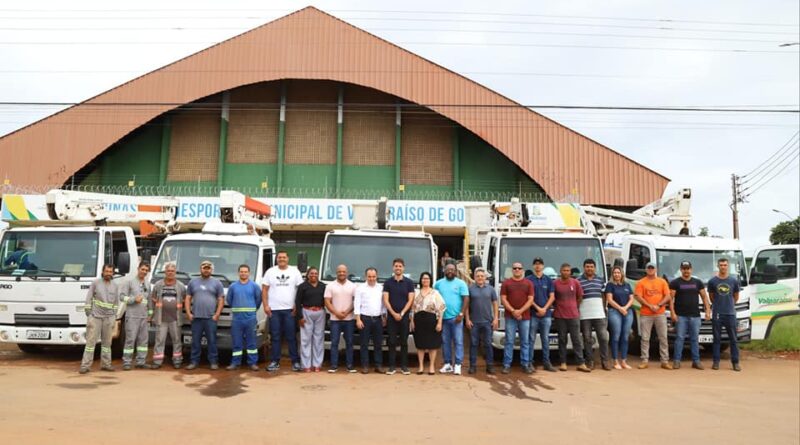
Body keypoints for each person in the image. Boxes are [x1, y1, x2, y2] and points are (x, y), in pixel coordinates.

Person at [262, 251, 304, 372]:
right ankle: (275, 361)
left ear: (288, 259)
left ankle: (295, 361)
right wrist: (265, 306)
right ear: (277, 259)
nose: (281, 259)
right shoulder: (270, 272)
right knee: (275, 336)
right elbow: (264, 290)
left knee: (291, 336)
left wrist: (297, 305)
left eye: (284, 257)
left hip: (290, 310)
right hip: (274, 310)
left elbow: (300, 290)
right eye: (279, 257)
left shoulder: (294, 271)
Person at [669, 261, 711, 370]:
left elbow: (704, 297)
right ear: (681, 270)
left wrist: (707, 311)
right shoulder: (675, 283)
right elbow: (670, 299)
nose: (686, 271)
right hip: (680, 316)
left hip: (695, 316)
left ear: (691, 269)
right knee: (679, 338)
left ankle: (696, 361)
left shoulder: (698, 282)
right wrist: (672, 313)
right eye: (684, 268)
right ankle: (677, 361)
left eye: (688, 268)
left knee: (694, 339)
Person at [79, 264, 120, 374]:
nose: (108, 273)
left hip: (108, 319)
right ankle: (85, 365)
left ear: (113, 273)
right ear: (103, 272)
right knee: (90, 343)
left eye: (110, 271)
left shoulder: (115, 286)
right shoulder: (95, 283)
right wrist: (89, 314)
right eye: (106, 271)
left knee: (107, 344)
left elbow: (116, 303)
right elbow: (89, 299)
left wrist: (114, 316)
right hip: (96, 317)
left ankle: (106, 364)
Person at [185, 260, 225, 370]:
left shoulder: (217, 283)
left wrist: (217, 314)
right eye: (204, 267)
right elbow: (188, 298)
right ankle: (194, 362)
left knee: (212, 341)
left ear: (211, 270)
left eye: (208, 268)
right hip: (196, 318)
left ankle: (213, 362)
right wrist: (188, 313)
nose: (206, 270)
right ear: (200, 269)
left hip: (210, 318)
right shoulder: (193, 282)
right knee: (195, 341)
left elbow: (221, 299)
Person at [633, 262, 672, 370]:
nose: (650, 269)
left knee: (663, 337)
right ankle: (644, 360)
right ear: (646, 270)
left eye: (652, 268)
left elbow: (668, 296)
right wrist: (650, 305)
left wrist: (658, 305)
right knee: (645, 338)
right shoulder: (641, 282)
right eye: (649, 268)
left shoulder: (662, 282)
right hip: (646, 314)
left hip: (660, 313)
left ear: (656, 269)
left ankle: (665, 361)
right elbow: (638, 296)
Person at [553, 263, 590, 372]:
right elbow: (552, 298)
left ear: (570, 272)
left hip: (574, 315)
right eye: (564, 270)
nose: (566, 272)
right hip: (560, 316)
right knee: (562, 339)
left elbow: (580, 297)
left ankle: (581, 363)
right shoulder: (555, 283)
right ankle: (563, 362)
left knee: (577, 339)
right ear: (560, 271)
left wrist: (574, 306)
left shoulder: (575, 282)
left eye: (568, 270)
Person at [434, 263, 469, 375]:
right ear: (444, 270)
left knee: (458, 341)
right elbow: (433, 297)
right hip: (443, 318)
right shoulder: (438, 283)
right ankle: (448, 364)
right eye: (448, 269)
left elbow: (466, 299)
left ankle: (458, 364)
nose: (450, 271)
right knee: (445, 342)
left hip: (456, 318)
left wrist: (461, 314)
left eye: (452, 269)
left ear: (455, 271)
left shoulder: (461, 283)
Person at [226, 264, 262, 371]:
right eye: (241, 271)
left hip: (250, 319)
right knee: (237, 343)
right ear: (238, 273)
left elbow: (258, 300)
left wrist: (251, 310)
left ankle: (252, 363)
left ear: (249, 273)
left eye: (245, 272)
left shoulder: (254, 286)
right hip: (237, 319)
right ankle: (235, 363)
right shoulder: (233, 286)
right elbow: (229, 300)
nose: (243, 273)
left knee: (251, 342)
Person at [708, 258, 742, 371]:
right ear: (718, 266)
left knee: (733, 339)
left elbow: (736, 297)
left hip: (730, 314)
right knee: (716, 339)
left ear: (728, 266)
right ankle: (716, 362)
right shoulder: (712, 281)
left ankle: (735, 362)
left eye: (725, 265)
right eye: (721, 265)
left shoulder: (733, 281)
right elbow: (711, 297)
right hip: (717, 314)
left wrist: (729, 305)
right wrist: (719, 305)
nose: (723, 267)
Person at [500, 261, 535, 374]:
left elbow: (530, 300)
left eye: (519, 268)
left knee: (525, 341)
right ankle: (506, 365)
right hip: (510, 317)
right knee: (509, 341)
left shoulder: (528, 283)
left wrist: (520, 311)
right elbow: (503, 299)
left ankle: (525, 364)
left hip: (525, 317)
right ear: (512, 270)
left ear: (522, 270)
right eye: (514, 268)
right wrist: (513, 311)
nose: (517, 270)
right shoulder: (506, 283)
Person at [150, 262, 186, 369]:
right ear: (165, 272)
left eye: (172, 271)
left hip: (176, 318)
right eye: (168, 271)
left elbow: (184, 299)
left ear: (175, 273)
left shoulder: (180, 286)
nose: (170, 273)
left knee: (177, 340)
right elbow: (153, 299)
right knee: (160, 340)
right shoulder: (158, 285)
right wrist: (152, 315)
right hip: (161, 319)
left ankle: (177, 360)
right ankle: (157, 361)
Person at [382, 258, 415, 375]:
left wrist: (401, 313)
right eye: (396, 266)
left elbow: (411, 300)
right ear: (393, 267)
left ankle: (404, 367)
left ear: (403, 268)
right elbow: (385, 300)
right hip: (391, 317)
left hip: (404, 317)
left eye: (400, 266)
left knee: (404, 342)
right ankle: (391, 367)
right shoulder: (388, 283)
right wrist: (393, 313)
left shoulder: (409, 283)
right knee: (391, 341)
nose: (398, 268)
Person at [577, 259, 610, 371]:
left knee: (603, 338)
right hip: (584, 314)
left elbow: (604, 295)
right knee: (587, 338)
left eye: (591, 266)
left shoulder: (600, 280)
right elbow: (577, 297)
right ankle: (589, 361)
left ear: (595, 268)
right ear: (584, 267)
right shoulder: (578, 281)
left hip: (599, 314)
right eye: (587, 266)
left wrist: (604, 309)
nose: (589, 268)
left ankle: (605, 361)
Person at [324, 264, 357, 373]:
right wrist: (336, 313)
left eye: (343, 271)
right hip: (335, 320)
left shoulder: (353, 286)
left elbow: (355, 301)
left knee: (350, 342)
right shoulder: (330, 286)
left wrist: (347, 312)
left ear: (346, 272)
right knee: (334, 343)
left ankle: (350, 365)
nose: (341, 273)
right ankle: (334, 365)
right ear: (336, 272)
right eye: (339, 272)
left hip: (349, 319)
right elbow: (327, 302)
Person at [465, 268, 498, 375]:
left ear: (485, 278)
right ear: (474, 277)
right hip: (474, 322)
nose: (480, 278)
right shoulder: (470, 289)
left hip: (488, 322)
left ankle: (490, 366)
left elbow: (495, 304)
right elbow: (466, 306)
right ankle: (473, 366)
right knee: (474, 344)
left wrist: (496, 318)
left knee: (488, 344)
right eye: (478, 276)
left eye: (482, 276)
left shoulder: (491, 289)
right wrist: (467, 319)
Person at [411, 272, 446, 375]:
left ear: (430, 280)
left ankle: (431, 366)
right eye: (423, 278)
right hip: (418, 320)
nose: (425, 280)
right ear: (421, 280)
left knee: (432, 345)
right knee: (420, 345)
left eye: (427, 279)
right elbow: (412, 309)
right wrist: (412, 321)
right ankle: (421, 366)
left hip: (431, 320)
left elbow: (441, 308)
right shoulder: (416, 292)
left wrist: (439, 322)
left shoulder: (435, 293)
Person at [120, 262, 152, 371]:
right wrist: (133, 300)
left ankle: (141, 361)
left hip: (143, 317)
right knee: (130, 340)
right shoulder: (129, 282)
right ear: (138, 269)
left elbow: (149, 301)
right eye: (142, 269)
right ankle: (127, 362)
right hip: (132, 316)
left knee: (143, 341)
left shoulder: (147, 284)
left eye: (146, 270)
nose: (144, 272)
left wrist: (150, 314)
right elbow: (121, 297)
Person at [527, 257, 556, 372]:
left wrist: (544, 308)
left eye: (540, 264)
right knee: (531, 339)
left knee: (545, 339)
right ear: (533, 266)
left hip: (546, 315)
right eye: (536, 264)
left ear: (543, 266)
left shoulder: (548, 280)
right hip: (533, 314)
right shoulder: (529, 280)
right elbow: (528, 297)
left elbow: (552, 296)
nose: (538, 266)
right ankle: (529, 362)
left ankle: (547, 363)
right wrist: (538, 308)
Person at [355, 267, 386, 374]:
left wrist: (384, 317)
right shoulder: (360, 288)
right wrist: (358, 319)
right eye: (369, 276)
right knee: (364, 344)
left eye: (373, 276)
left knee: (378, 344)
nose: (371, 278)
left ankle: (378, 365)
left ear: (376, 276)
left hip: (377, 319)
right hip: (365, 319)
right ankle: (365, 366)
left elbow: (383, 304)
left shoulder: (381, 288)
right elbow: (357, 304)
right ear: (366, 276)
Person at [296, 267, 326, 372]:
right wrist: (300, 317)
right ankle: (306, 365)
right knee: (305, 339)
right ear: (308, 275)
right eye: (311, 273)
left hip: (320, 313)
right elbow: (297, 302)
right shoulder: (302, 286)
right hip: (306, 312)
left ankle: (317, 364)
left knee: (318, 339)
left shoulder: (323, 286)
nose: (314, 275)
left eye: (316, 273)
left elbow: (326, 300)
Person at [604, 266, 634, 370]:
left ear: (622, 274)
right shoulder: (610, 285)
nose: (617, 274)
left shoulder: (627, 285)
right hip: (614, 311)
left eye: (618, 273)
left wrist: (625, 308)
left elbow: (631, 299)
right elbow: (609, 299)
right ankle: (615, 361)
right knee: (616, 335)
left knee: (625, 337)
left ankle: (624, 361)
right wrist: (620, 308)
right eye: (615, 273)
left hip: (627, 311)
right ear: (612, 274)